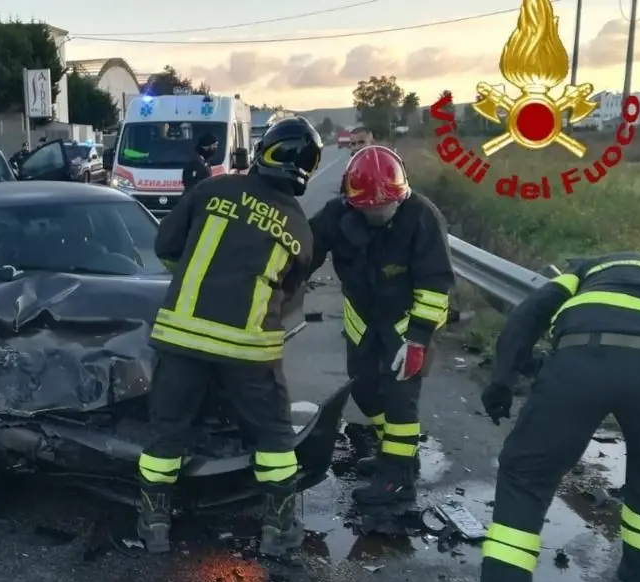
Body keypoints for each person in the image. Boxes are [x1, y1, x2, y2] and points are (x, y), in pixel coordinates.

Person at [427, 249, 640, 582]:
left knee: (526, 476)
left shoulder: (601, 264)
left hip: (583, 357)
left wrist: (503, 379)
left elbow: (532, 311)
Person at [136, 116, 323, 557]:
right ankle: (279, 529)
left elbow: (166, 247)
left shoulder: (211, 190)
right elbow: (289, 294)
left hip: (183, 341)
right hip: (249, 352)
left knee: (166, 435)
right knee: (274, 438)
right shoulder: (299, 229)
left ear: (263, 152)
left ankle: (154, 523)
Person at [306, 145, 454, 506]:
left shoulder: (422, 217)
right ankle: (394, 453)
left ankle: (399, 479)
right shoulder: (337, 215)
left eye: (386, 207)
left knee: (400, 400)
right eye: (371, 210)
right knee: (365, 390)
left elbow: (435, 284)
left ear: (401, 196)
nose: (380, 214)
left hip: (409, 322)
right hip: (362, 318)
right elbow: (305, 252)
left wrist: (418, 340)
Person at [339, 126, 376, 194]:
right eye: (353, 144)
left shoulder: (386, 162)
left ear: (372, 143)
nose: (357, 147)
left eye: (361, 142)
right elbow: (343, 195)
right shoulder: (350, 170)